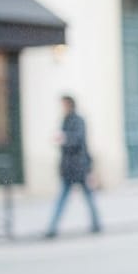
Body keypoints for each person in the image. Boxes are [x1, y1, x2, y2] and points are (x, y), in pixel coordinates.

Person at [44, 95, 101, 238]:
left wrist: (64, 138)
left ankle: (96, 224)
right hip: (69, 167)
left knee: (88, 196)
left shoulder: (78, 120)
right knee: (64, 198)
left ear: (70, 105)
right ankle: (52, 228)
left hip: (79, 167)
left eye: (63, 105)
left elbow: (78, 140)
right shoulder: (65, 120)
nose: (61, 108)